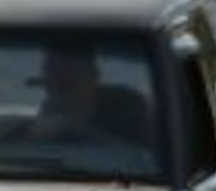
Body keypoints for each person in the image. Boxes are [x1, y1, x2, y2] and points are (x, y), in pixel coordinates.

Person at [12, 41, 154, 156]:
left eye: (68, 82)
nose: (57, 89)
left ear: (93, 76)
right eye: (51, 77)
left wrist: (74, 127)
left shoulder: (128, 116)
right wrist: (35, 138)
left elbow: (142, 158)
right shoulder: (32, 128)